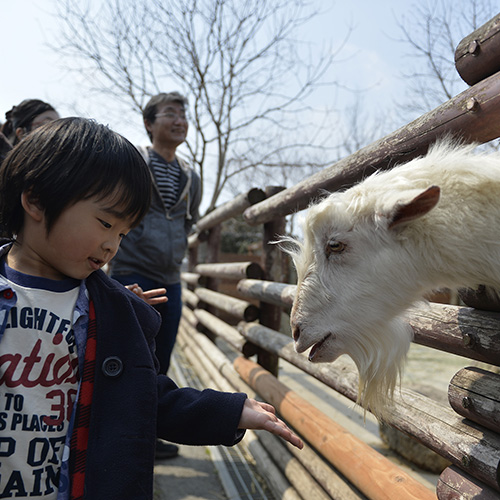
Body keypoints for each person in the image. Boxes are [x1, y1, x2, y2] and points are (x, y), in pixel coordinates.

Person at [0, 117, 302, 500]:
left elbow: (144, 398)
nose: (113, 245)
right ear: (36, 201)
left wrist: (227, 411)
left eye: (123, 233)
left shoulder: (112, 313)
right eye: (105, 223)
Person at [110, 92, 199, 458]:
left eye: (183, 115)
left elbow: (188, 219)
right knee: (123, 353)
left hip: (171, 277)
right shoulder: (133, 162)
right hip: (132, 269)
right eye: (169, 114)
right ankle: (114, 433)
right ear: (149, 123)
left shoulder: (191, 176)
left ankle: (148, 435)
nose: (179, 120)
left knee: (160, 357)